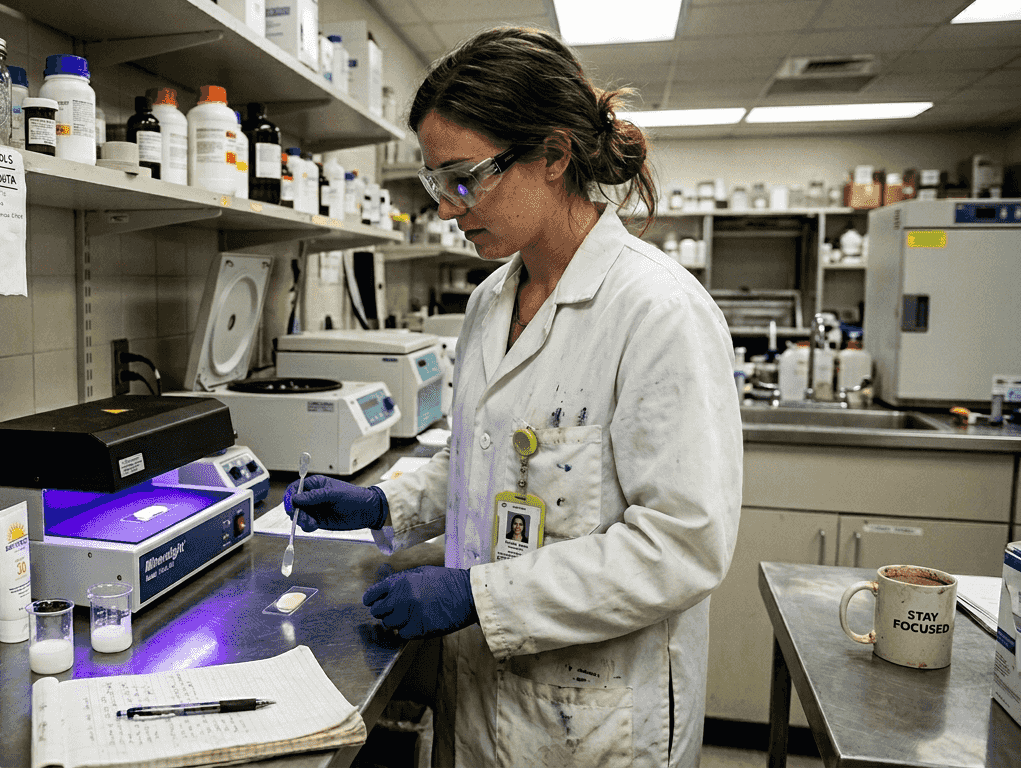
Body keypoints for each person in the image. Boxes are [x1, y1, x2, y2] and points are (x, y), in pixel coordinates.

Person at [285, 26, 742, 767]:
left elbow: (681, 547)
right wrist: (389, 505)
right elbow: (492, 457)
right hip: (482, 702)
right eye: (437, 184)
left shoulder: (657, 312)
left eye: (464, 178)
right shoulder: (492, 301)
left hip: (595, 719)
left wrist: (478, 598)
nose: (447, 208)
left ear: (554, 155)